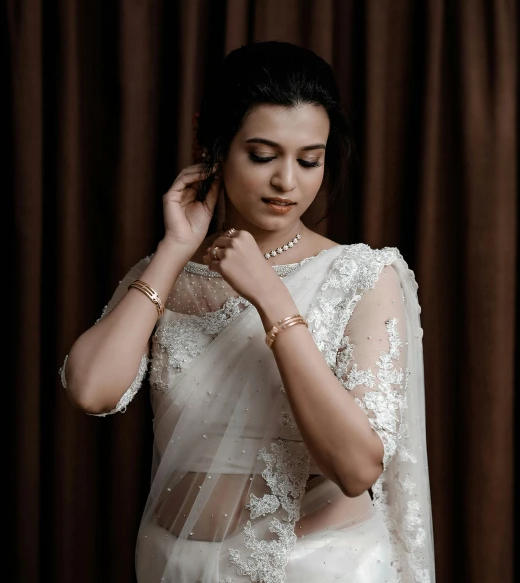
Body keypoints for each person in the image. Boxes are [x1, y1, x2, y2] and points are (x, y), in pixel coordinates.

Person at [61, 41, 435, 583]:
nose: (288, 182)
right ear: (211, 142)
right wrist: (173, 250)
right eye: (263, 155)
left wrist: (274, 300)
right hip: (173, 564)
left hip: (315, 568)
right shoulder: (167, 271)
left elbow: (357, 468)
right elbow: (91, 389)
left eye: (310, 160)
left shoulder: (362, 276)